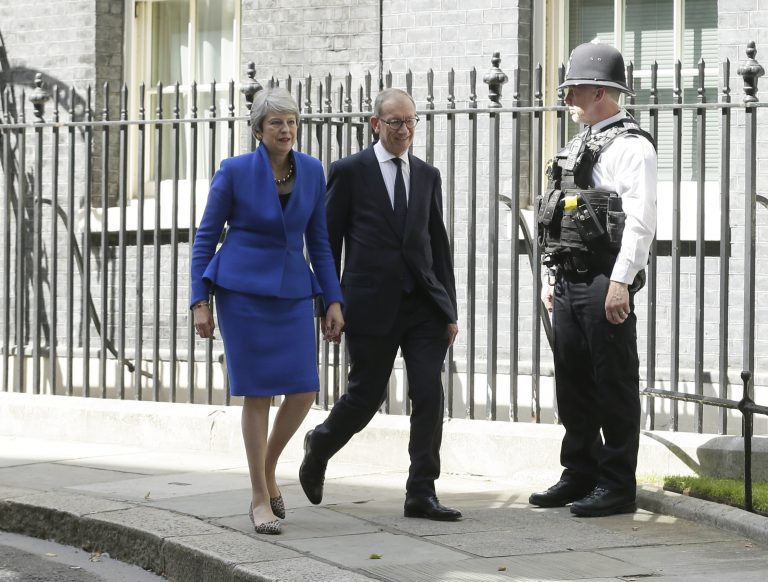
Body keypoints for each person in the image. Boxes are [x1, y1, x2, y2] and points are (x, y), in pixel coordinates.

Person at [298, 88, 461, 521]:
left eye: (410, 122)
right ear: (375, 124)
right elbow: (326, 244)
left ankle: (421, 491)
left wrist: (449, 310)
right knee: (365, 397)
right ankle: (321, 443)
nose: (405, 130)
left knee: (429, 393)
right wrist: (329, 303)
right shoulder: (350, 171)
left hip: (424, 305)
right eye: (395, 123)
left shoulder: (427, 175)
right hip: (370, 304)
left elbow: (438, 245)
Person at [190, 87, 345, 535]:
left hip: (294, 291)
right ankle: (259, 495)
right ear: (259, 130)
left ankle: (268, 467)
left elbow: (319, 240)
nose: (286, 129)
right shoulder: (235, 171)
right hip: (241, 293)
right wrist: (200, 301)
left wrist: (332, 298)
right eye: (276, 122)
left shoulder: (313, 171)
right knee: (257, 393)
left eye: (292, 122)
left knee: (304, 390)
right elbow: (205, 237)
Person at [530, 41, 657, 517]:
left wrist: (622, 281)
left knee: (614, 382)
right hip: (567, 279)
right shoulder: (576, 145)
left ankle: (618, 483)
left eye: (574, 88)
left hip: (606, 277)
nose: (566, 96)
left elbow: (641, 223)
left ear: (601, 91)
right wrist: (550, 276)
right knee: (574, 380)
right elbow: (556, 219)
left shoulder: (631, 148)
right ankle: (579, 471)